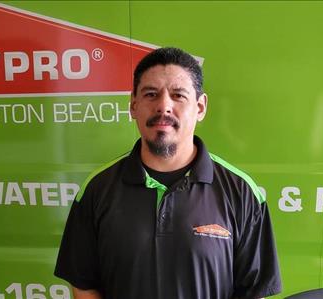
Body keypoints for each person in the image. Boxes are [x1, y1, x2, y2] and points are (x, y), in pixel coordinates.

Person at [55, 47, 282, 299]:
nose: (164, 105)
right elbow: (84, 285)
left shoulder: (242, 192)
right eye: (151, 94)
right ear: (133, 105)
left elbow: (254, 292)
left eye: (178, 95)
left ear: (200, 107)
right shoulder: (97, 189)